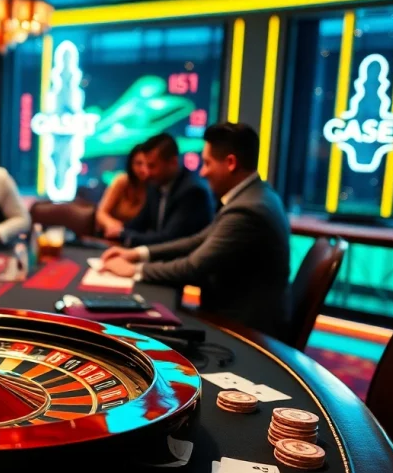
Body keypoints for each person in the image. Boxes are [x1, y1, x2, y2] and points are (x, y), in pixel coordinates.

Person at [100, 123, 290, 337]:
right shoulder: (255, 195)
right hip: (236, 312)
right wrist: (137, 253)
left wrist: (134, 270)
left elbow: (193, 267)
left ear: (230, 163)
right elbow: (198, 239)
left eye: (207, 163)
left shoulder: (246, 210)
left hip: (243, 327)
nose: (203, 171)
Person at [113, 133, 214, 247]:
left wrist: (123, 235)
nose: (147, 173)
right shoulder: (155, 185)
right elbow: (139, 223)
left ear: (173, 162)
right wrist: (118, 230)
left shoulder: (193, 191)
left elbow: (169, 238)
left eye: (152, 166)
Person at [95, 144, 149, 239]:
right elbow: (101, 213)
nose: (143, 169)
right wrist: (115, 227)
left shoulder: (156, 187)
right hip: (111, 237)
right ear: (130, 164)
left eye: (149, 164)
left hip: (138, 239)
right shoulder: (122, 181)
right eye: (139, 163)